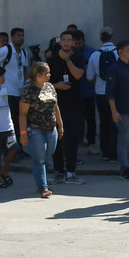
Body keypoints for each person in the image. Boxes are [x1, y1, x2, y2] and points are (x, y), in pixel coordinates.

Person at [48, 30, 87, 185]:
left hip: (75, 104)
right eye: (63, 39)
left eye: (69, 40)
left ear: (73, 43)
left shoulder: (78, 57)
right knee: (57, 139)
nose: (66, 42)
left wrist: (68, 60)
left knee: (72, 139)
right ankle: (58, 171)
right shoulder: (51, 60)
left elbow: (78, 75)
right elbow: (45, 82)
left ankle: (71, 172)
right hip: (57, 106)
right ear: (60, 42)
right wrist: (56, 85)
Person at [19, 61, 63, 198]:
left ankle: (42, 180)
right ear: (38, 75)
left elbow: (56, 108)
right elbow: (23, 114)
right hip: (35, 129)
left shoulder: (50, 87)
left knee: (47, 156)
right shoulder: (28, 91)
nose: (49, 75)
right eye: (46, 73)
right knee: (39, 158)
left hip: (51, 128)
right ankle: (43, 187)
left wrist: (60, 125)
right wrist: (23, 133)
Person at [105, 40, 129, 181]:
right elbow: (110, 93)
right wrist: (114, 111)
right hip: (123, 110)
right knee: (124, 139)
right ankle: (124, 168)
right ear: (120, 52)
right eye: (128, 50)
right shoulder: (114, 69)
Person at [86, 27, 118, 162]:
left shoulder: (94, 55)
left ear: (101, 38)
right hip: (116, 93)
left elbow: (89, 77)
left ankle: (104, 151)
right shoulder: (119, 53)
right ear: (112, 37)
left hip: (100, 92)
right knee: (115, 122)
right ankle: (114, 152)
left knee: (104, 122)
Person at [74, 29, 98, 154]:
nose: (78, 46)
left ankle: (91, 141)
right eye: (76, 43)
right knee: (77, 118)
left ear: (84, 41)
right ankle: (78, 140)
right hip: (75, 92)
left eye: (80, 43)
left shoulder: (92, 53)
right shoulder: (69, 54)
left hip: (88, 90)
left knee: (90, 118)